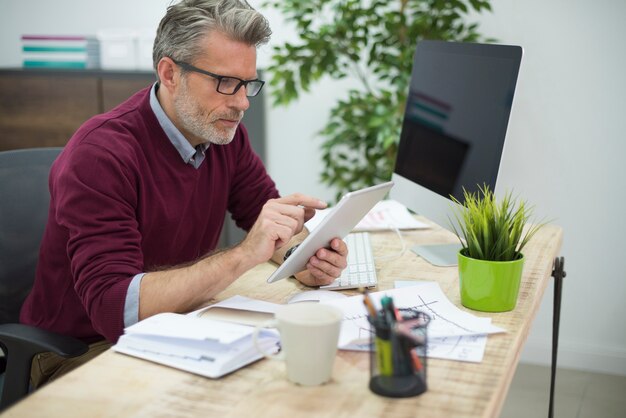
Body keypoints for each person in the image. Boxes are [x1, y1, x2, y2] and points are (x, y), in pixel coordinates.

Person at [20, 0, 348, 387]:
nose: (242, 102)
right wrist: (245, 254)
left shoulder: (225, 135)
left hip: (182, 325)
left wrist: (304, 259)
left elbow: (270, 224)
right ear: (170, 73)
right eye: (225, 83)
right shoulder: (101, 155)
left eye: (248, 85)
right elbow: (116, 310)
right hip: (82, 353)